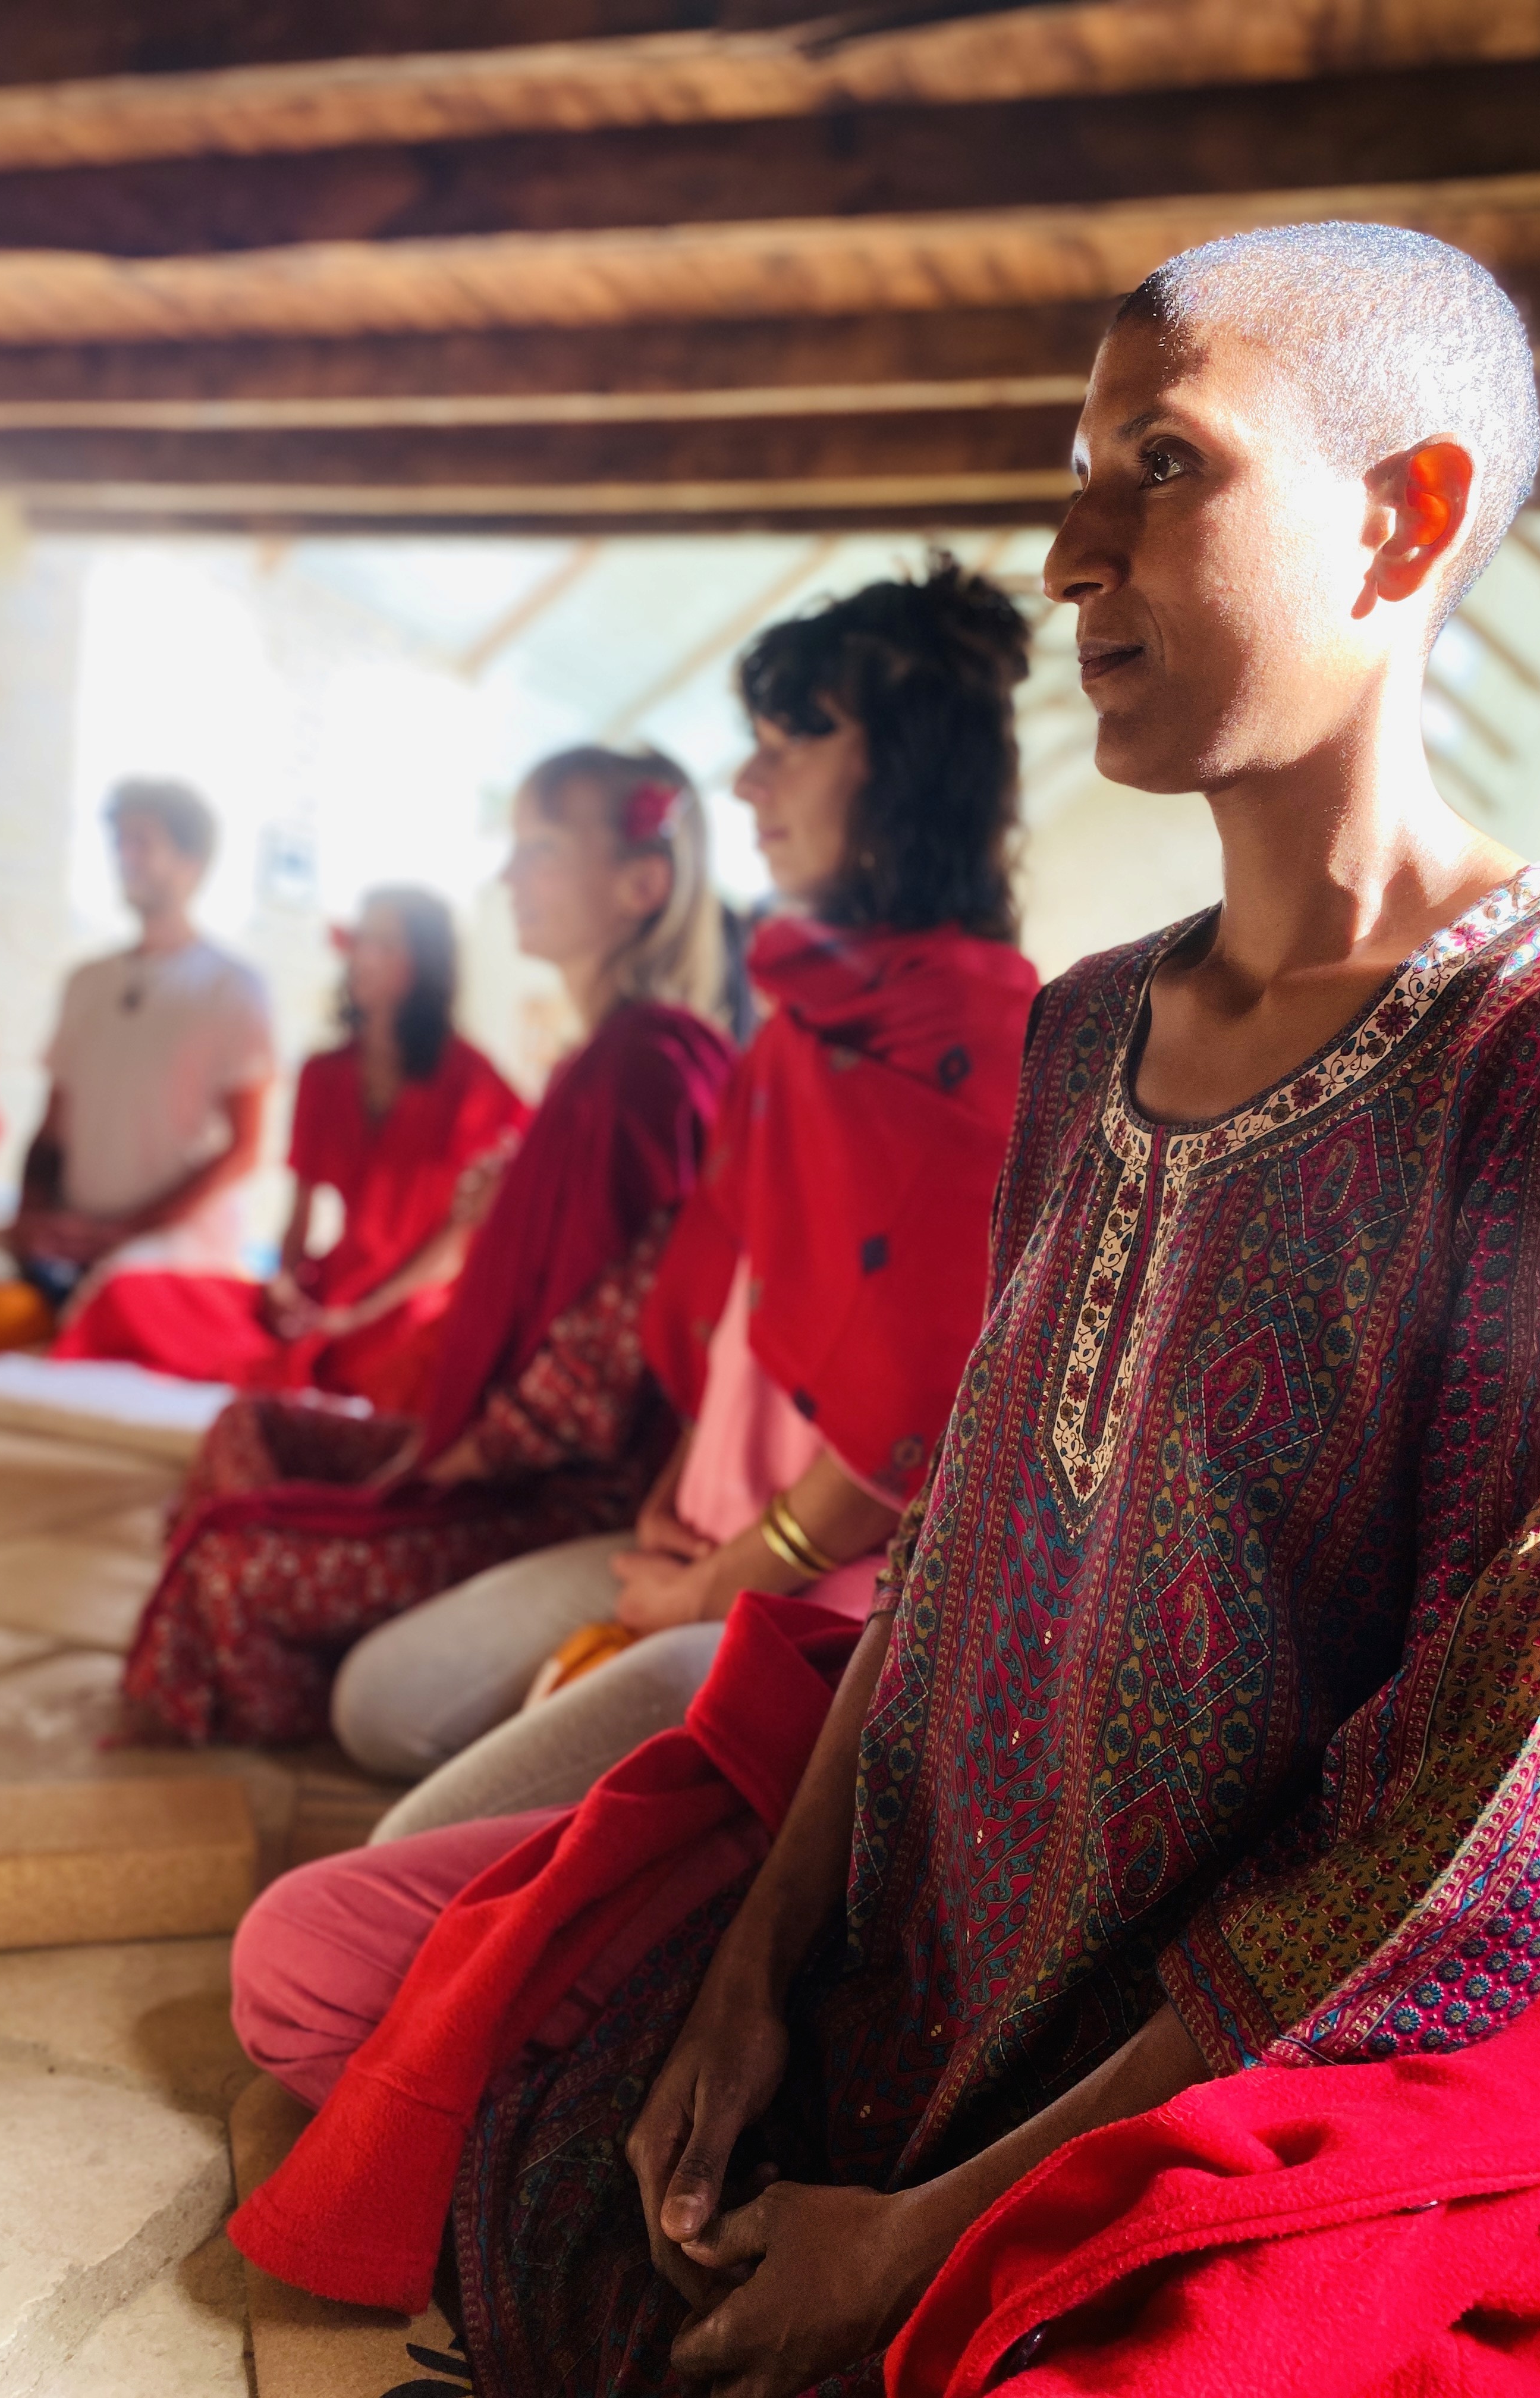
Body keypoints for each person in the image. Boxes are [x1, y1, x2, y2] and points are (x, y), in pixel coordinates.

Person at [228, 222, 1540, 2398]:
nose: (1068, 551)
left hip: (1173, 2039)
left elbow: (1480, 1806)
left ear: (1403, 512)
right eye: (1070, 468)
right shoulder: (1085, 1034)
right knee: (521, 2111)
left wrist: (939, 2225)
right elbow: (958, 1549)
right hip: (910, 1930)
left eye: (1156, 462)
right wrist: (755, 1966)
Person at [329, 561, 1041, 1830]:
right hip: (697, 1530)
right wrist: (672, 1512)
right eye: (752, 748)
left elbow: (917, 1425)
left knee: (406, 1849)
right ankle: (651, 1785)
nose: (749, 786)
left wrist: (727, 1578)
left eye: (791, 746)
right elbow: (721, 1335)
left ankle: (714, 1804)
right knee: (381, 1702)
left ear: (912, 771)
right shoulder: (794, 1029)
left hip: (832, 1591)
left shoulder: (976, 1046)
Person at [121, 745, 735, 1747]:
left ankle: (305, 1691)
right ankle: (330, 1617)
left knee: (226, 1557)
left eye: (539, 848)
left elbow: (606, 1371)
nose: (508, 876)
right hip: (477, 1444)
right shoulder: (599, 1059)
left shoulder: (645, 1070)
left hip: (556, 1493)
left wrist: (440, 1464)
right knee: (245, 1432)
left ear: (641, 882)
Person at [55, 887, 529, 1414]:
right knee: (129, 1293)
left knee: (423, 1361)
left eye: (385, 945)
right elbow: (300, 1213)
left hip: (409, 1304)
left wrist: (360, 1316)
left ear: (428, 962)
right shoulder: (324, 1073)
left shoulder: (475, 1083)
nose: (362, 957)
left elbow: (457, 1243)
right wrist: (284, 1285)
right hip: (327, 1292)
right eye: (358, 940)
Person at [9, 778, 274, 1314]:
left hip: (175, 1242)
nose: (125, 857)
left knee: (103, 1306)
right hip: (72, 1226)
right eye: (120, 841)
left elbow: (245, 1149)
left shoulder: (234, 987)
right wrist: (33, 1214)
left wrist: (127, 1230)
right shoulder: (87, 981)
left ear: (191, 861)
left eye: (143, 842)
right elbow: (52, 1128)